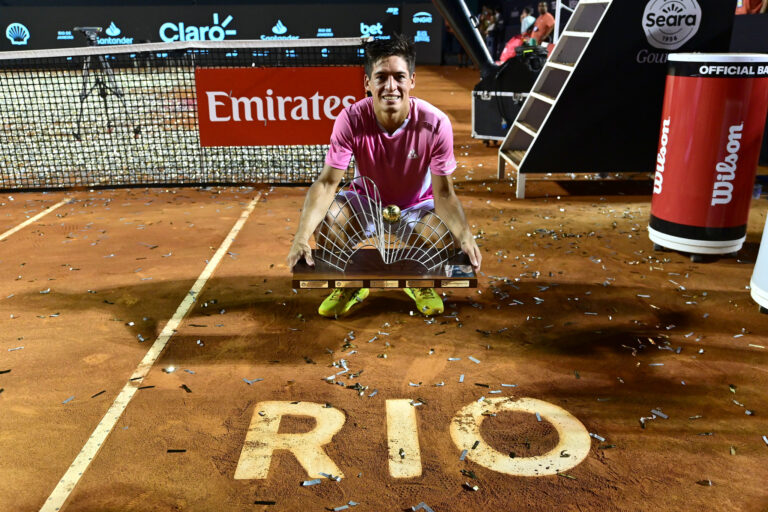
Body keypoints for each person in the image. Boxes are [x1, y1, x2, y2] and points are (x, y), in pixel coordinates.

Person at [286, 35, 482, 318]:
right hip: (366, 204)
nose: (391, 86)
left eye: (399, 77)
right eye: (381, 77)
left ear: (412, 80)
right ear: (368, 83)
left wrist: (465, 235)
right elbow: (328, 182)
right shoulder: (350, 119)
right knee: (329, 220)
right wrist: (302, 236)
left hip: (417, 207)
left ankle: (419, 281)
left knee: (446, 238)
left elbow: (443, 194)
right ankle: (350, 285)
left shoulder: (436, 123)